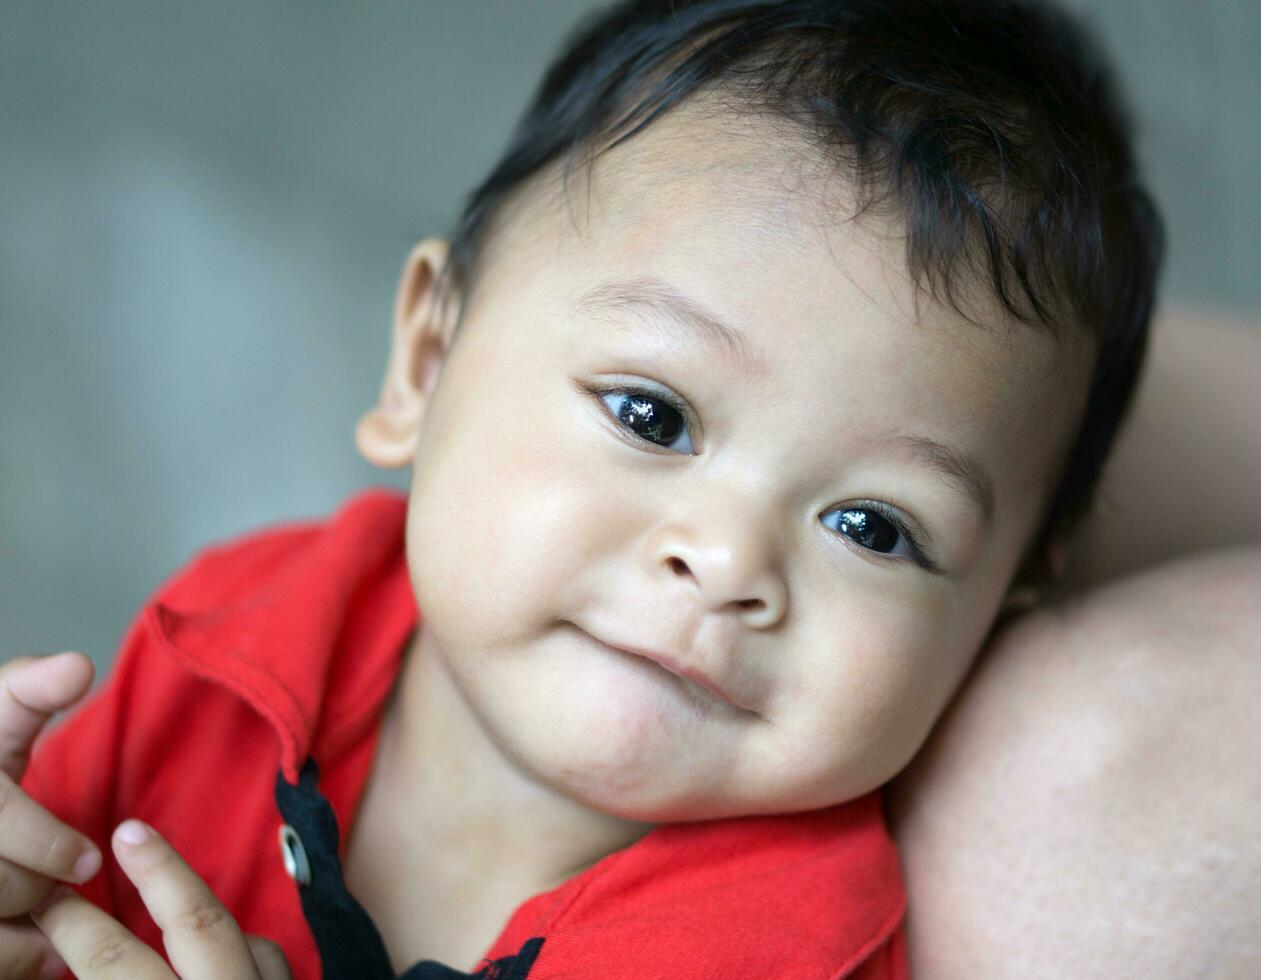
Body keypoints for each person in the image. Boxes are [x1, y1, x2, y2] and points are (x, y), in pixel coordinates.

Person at [3, 0, 1251, 976]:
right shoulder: (238, 634)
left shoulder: (787, 948)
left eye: (872, 525)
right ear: (426, 363)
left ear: (1000, 613)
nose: (725, 558)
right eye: (652, 415)